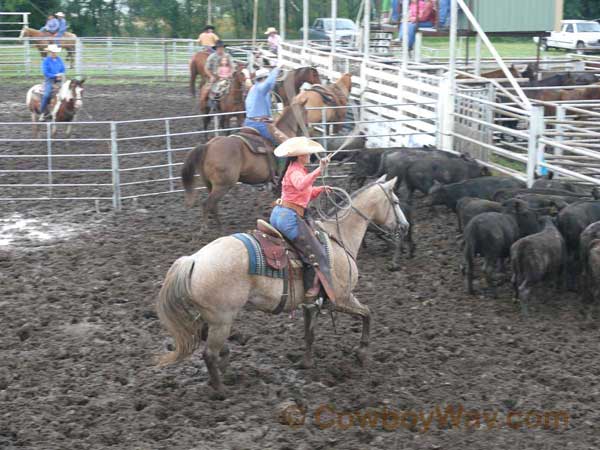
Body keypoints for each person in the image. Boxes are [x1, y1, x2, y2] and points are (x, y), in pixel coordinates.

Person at [270, 136, 336, 305]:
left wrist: (319, 189)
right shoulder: (296, 171)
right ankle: (310, 291)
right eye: (307, 153)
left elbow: (303, 192)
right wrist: (319, 170)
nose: (310, 155)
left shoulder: (293, 169)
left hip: (280, 214)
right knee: (317, 253)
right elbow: (301, 185)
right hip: (289, 218)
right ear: (300, 155)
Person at [243, 65, 288, 146]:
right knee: (282, 143)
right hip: (259, 125)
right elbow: (269, 83)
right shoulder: (261, 89)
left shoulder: (253, 89)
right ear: (264, 79)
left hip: (248, 122)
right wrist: (277, 69)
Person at [39, 44, 65, 121]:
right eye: (52, 52)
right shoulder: (46, 61)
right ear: (49, 52)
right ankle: (42, 113)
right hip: (49, 79)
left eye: (55, 52)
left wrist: (61, 74)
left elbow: (63, 69)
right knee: (47, 94)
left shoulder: (59, 59)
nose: (54, 53)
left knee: (67, 91)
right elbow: (45, 73)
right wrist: (55, 75)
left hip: (59, 78)